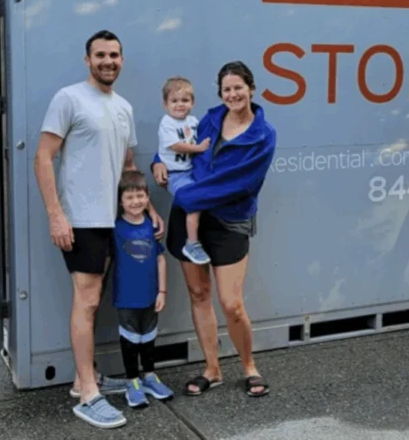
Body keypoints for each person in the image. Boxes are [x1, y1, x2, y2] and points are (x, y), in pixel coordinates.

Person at [34, 30, 164, 430]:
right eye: (101, 55)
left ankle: (81, 379)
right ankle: (89, 395)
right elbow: (43, 157)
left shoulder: (123, 106)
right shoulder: (69, 98)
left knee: (97, 298)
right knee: (87, 301)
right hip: (82, 220)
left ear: (122, 60)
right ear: (87, 59)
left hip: (116, 221)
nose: (108, 61)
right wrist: (56, 215)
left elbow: (128, 166)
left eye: (115, 55)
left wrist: (150, 206)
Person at [152, 61, 277, 398]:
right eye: (226, 89)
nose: (233, 94)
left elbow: (239, 184)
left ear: (251, 88)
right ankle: (213, 368)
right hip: (191, 216)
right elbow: (178, 148)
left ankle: (249, 366)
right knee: (199, 294)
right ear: (220, 94)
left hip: (226, 220)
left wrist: (186, 193)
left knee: (231, 303)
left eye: (238, 87)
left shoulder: (263, 135)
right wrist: (157, 162)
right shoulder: (209, 119)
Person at [111, 170, 174, 409]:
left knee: (148, 337)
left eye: (140, 196)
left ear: (148, 198)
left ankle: (149, 376)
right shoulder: (115, 229)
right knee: (130, 339)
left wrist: (162, 291)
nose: (136, 201)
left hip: (151, 296)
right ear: (121, 202)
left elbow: (160, 260)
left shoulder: (152, 227)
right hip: (126, 297)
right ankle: (132, 382)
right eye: (130, 197)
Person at [157, 76, 211, 265]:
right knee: (193, 202)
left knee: (203, 200)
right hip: (175, 174)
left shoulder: (194, 121)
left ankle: (199, 239)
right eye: (174, 101)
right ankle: (192, 243)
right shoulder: (167, 123)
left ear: (192, 102)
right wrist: (199, 148)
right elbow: (176, 146)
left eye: (185, 100)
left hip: (191, 172)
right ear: (165, 104)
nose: (180, 105)